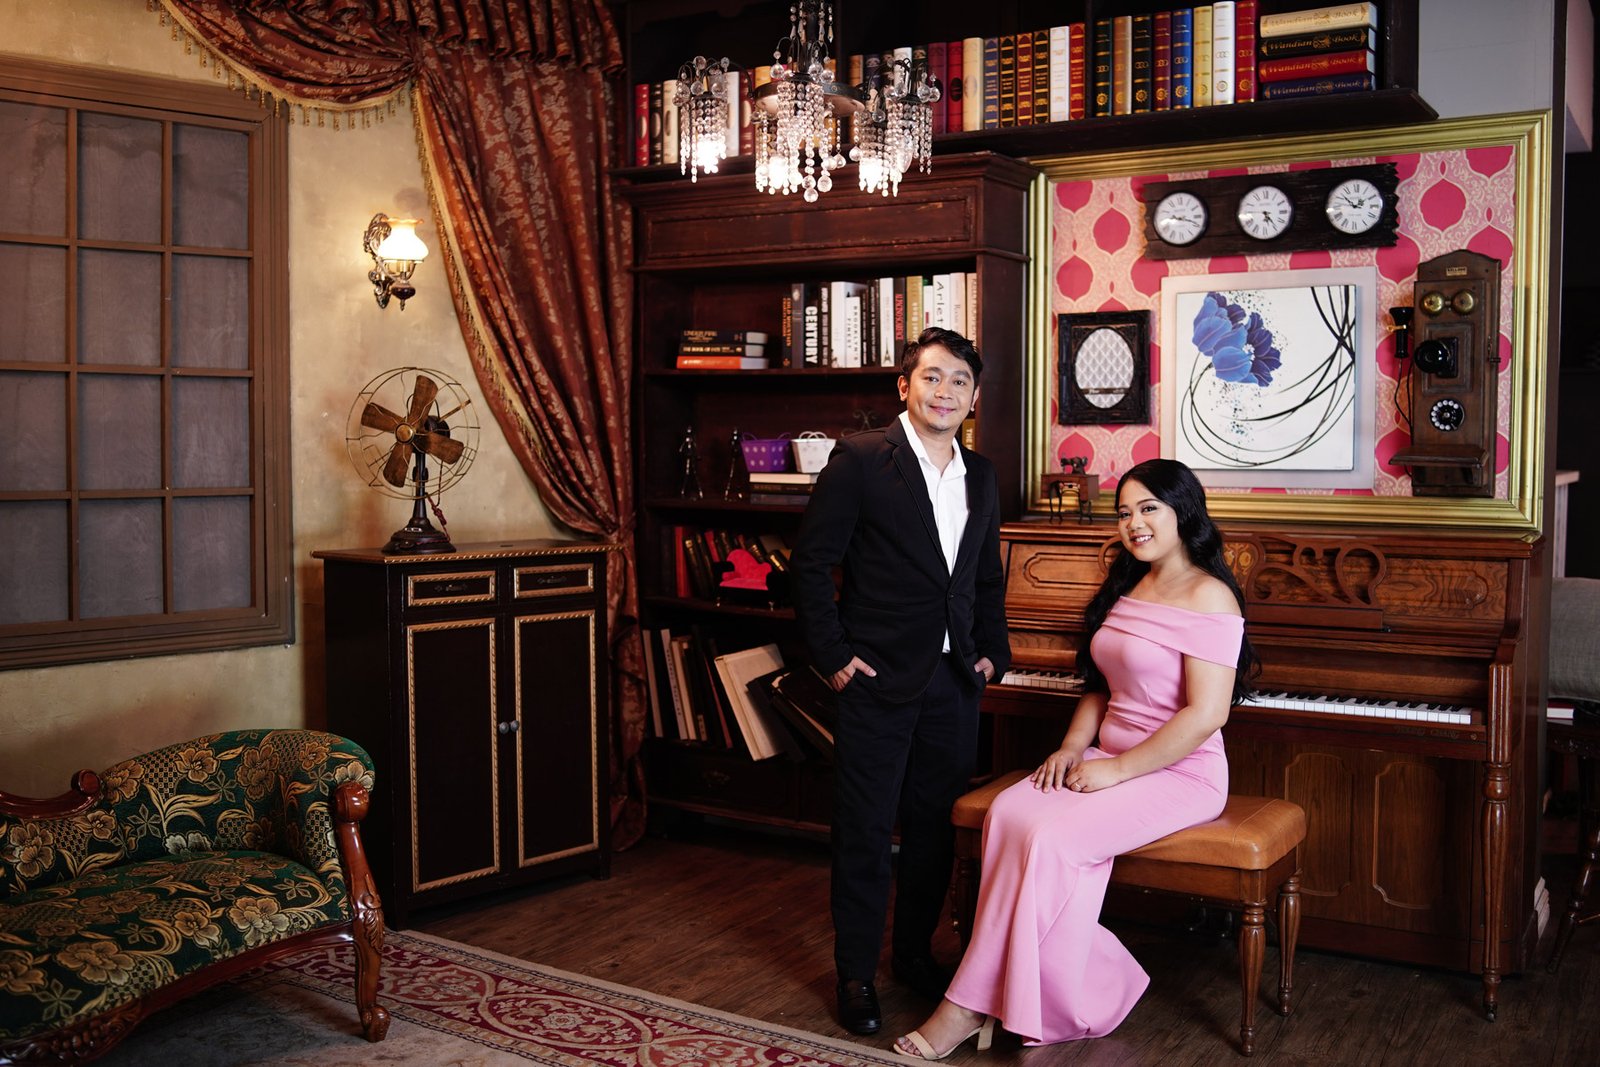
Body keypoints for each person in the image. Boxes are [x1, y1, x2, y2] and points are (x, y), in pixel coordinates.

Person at [893, 457, 1259, 1058]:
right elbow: (1101, 687)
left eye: (1149, 509)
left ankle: (967, 1006)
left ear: (1184, 512)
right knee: (1009, 813)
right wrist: (1070, 747)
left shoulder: (1211, 596)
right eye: (1124, 512)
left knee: (1053, 842)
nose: (1134, 524)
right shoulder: (1130, 583)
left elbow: (1206, 715)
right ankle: (1060, 982)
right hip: (1104, 754)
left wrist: (1115, 770)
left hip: (1178, 773)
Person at [790, 327, 1012, 1037]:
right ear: (904, 386)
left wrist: (992, 651)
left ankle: (914, 956)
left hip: (954, 681)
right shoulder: (860, 460)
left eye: (959, 382)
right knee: (863, 832)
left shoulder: (981, 474)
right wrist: (834, 656)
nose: (945, 391)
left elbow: (984, 575)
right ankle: (855, 974)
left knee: (933, 833)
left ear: (973, 398)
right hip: (876, 681)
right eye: (932, 377)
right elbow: (810, 564)